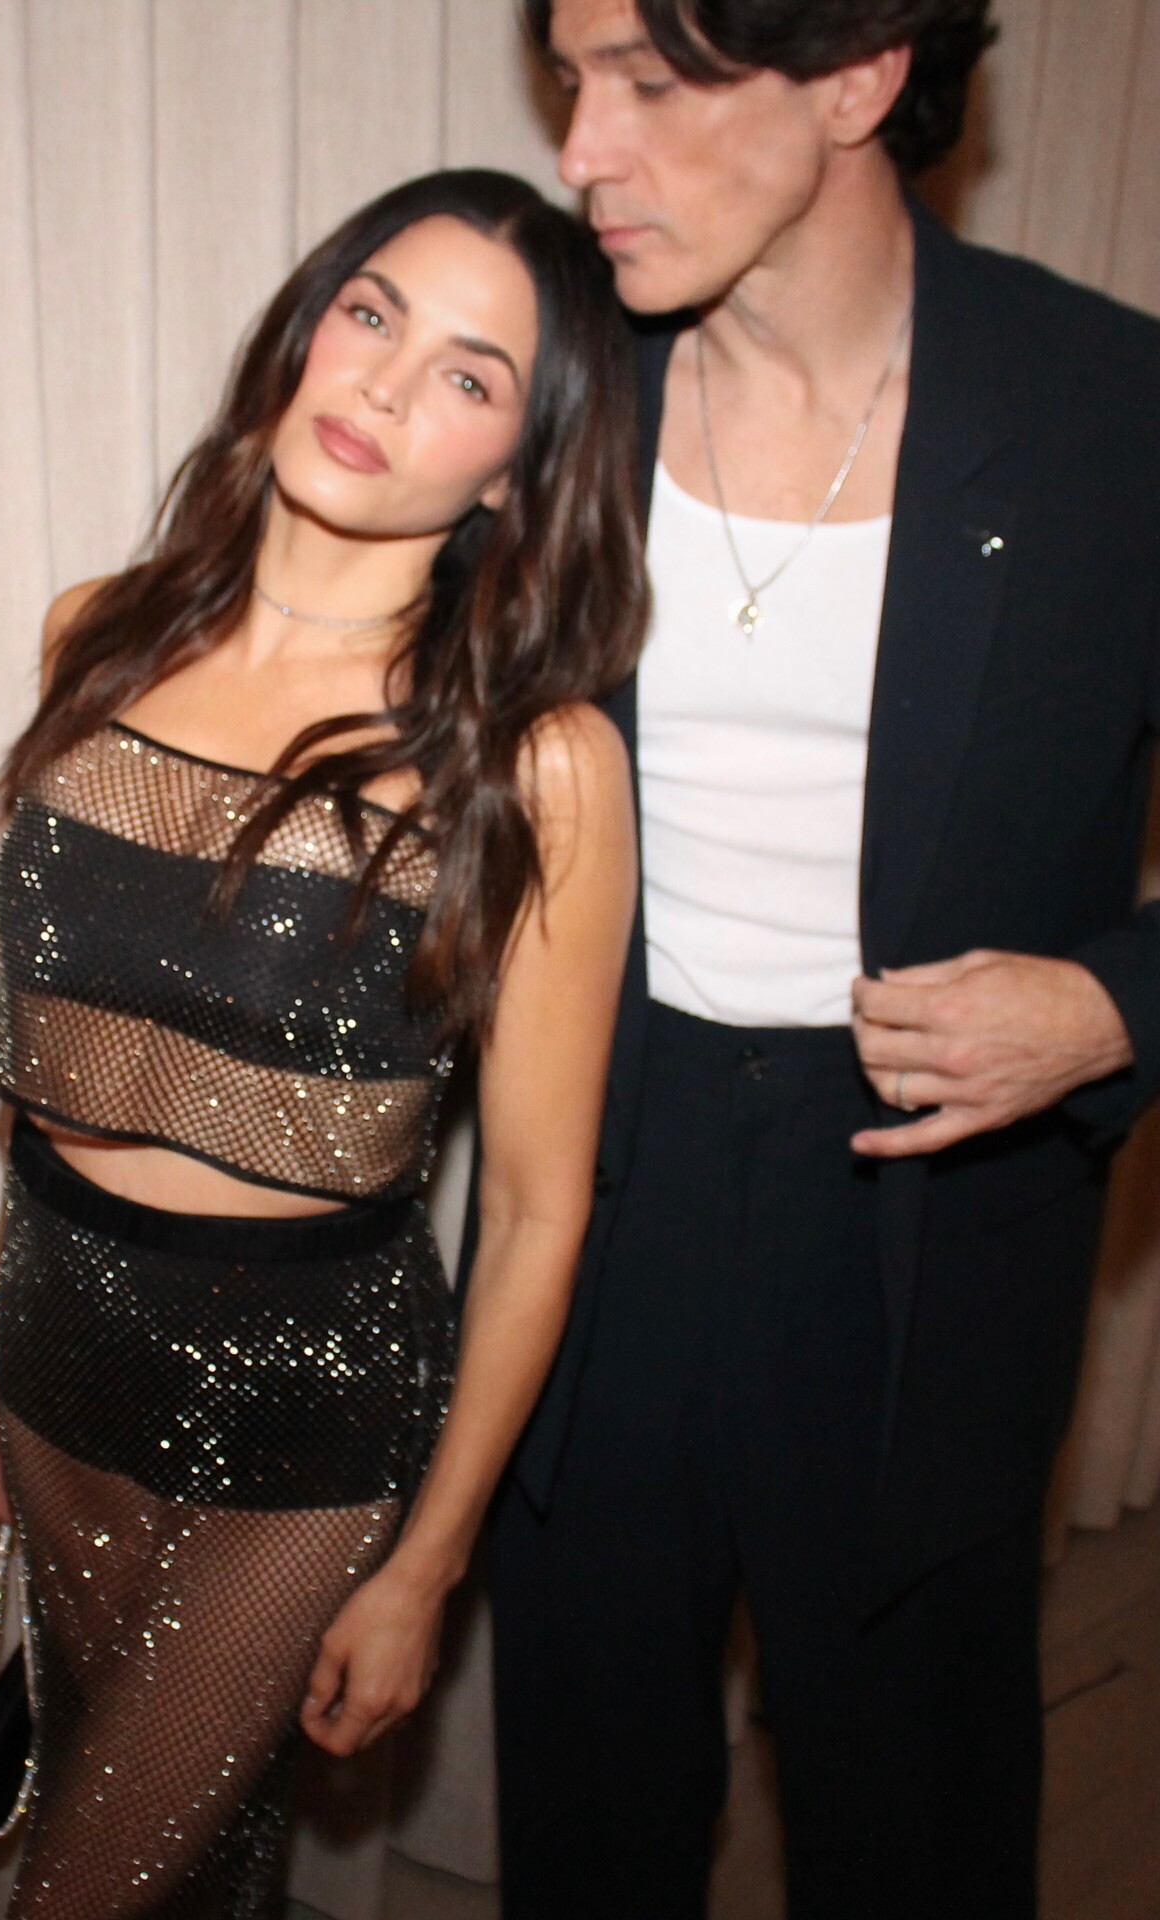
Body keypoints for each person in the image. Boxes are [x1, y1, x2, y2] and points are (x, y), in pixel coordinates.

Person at [482, 5, 1160, 1918]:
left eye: (651, 81)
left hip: (930, 1224)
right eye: (571, 81)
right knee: (590, 1805)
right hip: (597, 1198)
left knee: (910, 1816)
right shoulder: (557, 381)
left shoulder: (1111, 410)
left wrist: (1112, 1002)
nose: (582, 149)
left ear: (859, 75)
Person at [0, 167, 645, 1919]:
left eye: (470, 376)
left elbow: (539, 1212)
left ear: (514, 471)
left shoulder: (535, 762)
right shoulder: (95, 637)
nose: (387, 385)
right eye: (371, 315)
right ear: (304, 328)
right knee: (202, 1869)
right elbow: (44, 1059)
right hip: (56, 1359)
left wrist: (432, 1563)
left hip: (307, 1431)